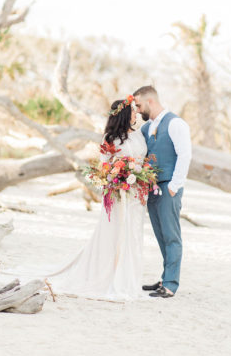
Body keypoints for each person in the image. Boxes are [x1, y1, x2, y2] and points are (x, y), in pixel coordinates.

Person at [48, 95, 148, 301]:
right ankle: (109, 275)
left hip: (137, 194)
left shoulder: (139, 135)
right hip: (118, 193)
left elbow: (143, 160)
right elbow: (105, 166)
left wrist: (141, 176)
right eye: (132, 111)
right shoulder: (110, 139)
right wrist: (116, 177)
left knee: (133, 233)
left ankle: (129, 278)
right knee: (115, 233)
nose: (136, 113)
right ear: (123, 114)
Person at [133, 85, 192, 298]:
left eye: (138, 105)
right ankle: (164, 277)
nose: (137, 110)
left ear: (150, 101)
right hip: (151, 189)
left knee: (171, 236)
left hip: (169, 188)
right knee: (160, 236)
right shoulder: (146, 129)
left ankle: (170, 284)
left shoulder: (176, 123)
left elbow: (184, 155)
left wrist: (174, 187)